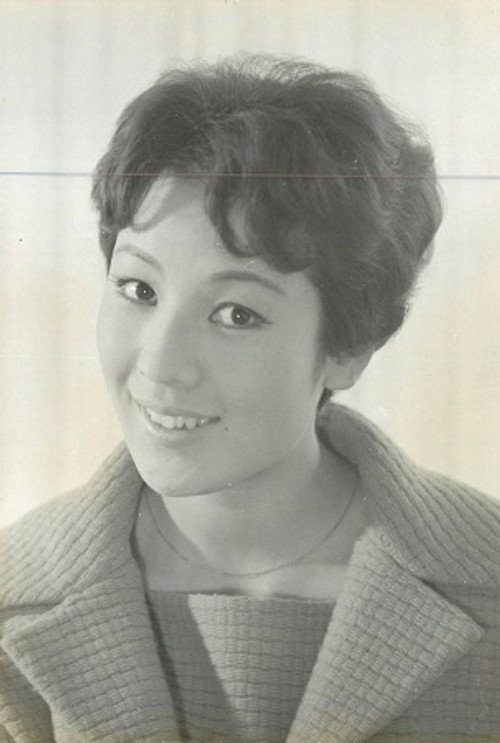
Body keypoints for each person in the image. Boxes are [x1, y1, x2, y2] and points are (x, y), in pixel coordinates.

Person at [1, 56, 499, 743]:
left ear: (349, 347)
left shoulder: (487, 580)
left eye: (235, 313)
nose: (161, 364)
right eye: (139, 290)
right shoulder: (12, 600)